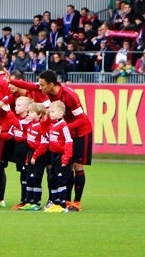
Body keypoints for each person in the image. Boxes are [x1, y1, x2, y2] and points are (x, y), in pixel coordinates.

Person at [10, 69, 91, 211]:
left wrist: (62, 127)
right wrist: (9, 80)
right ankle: (65, 200)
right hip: (65, 131)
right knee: (66, 167)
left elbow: (82, 119)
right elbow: (29, 86)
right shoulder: (48, 90)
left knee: (77, 166)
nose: (39, 88)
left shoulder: (69, 96)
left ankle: (77, 202)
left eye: (42, 85)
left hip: (80, 132)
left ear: (51, 85)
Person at [22, 102, 49, 211]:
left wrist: (35, 156)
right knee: (29, 178)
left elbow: (44, 144)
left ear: (39, 115)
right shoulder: (30, 124)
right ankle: (29, 201)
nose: (29, 114)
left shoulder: (41, 127)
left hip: (38, 155)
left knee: (36, 178)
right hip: (30, 153)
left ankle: (36, 202)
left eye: (32, 112)